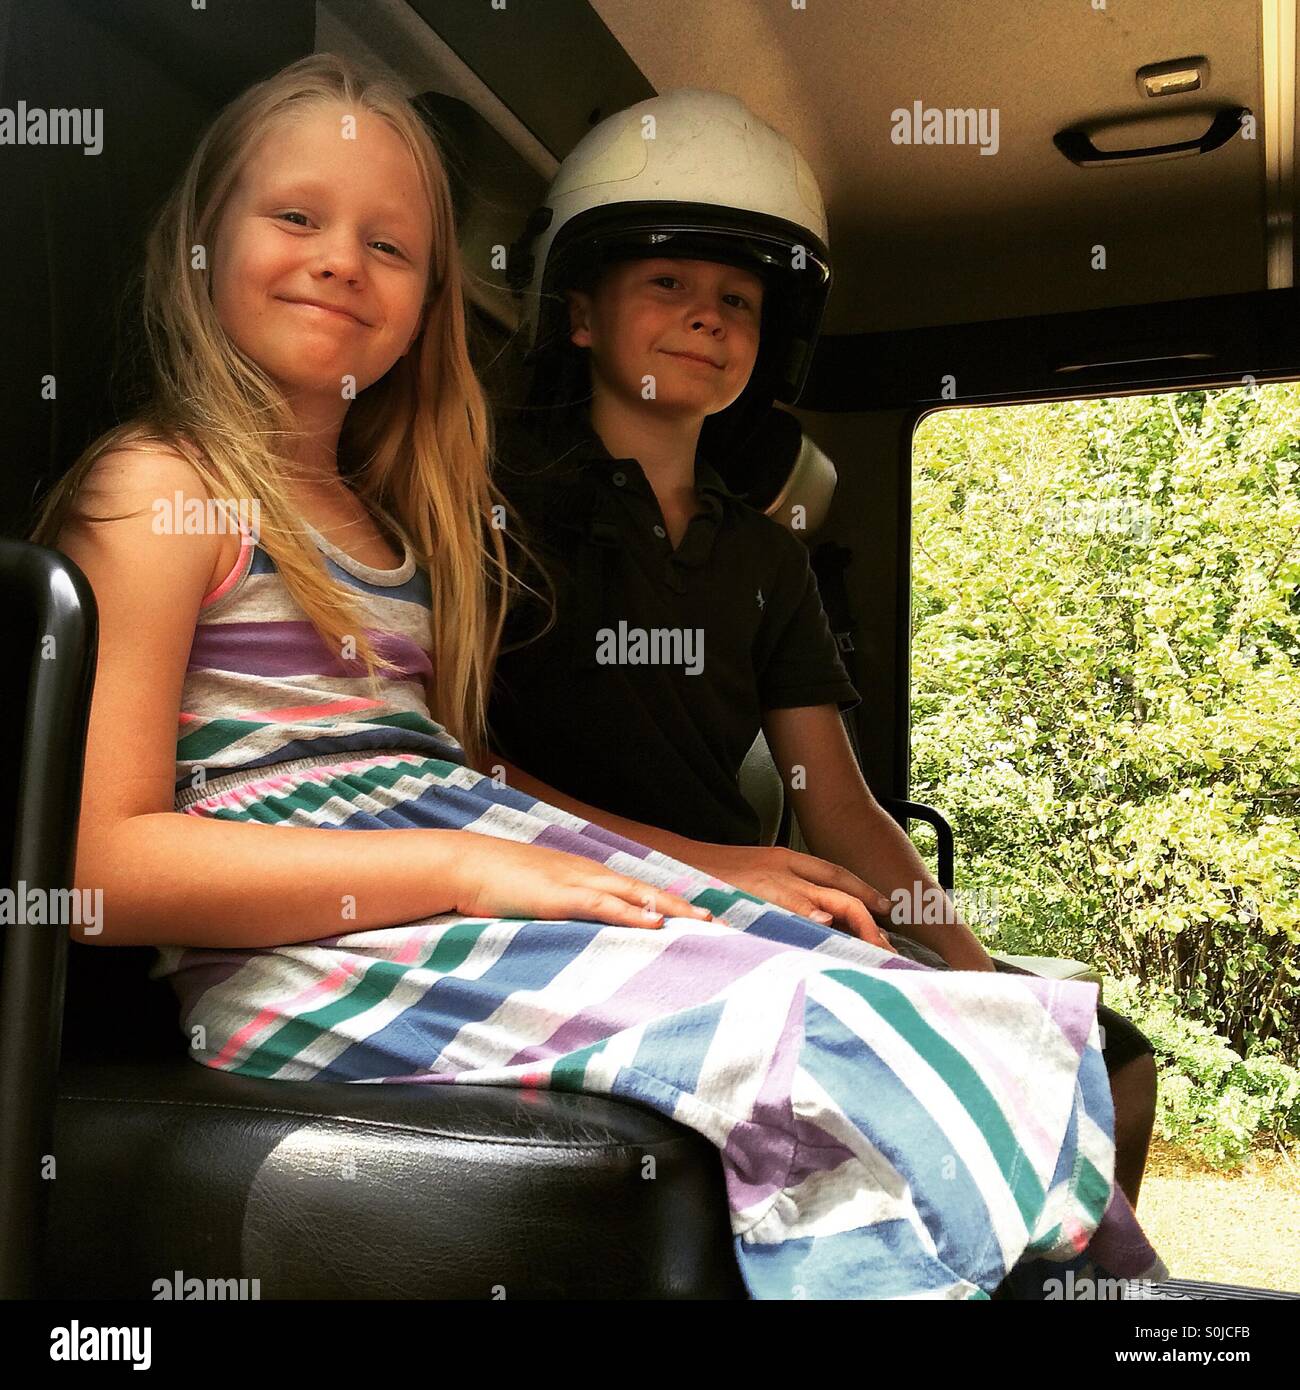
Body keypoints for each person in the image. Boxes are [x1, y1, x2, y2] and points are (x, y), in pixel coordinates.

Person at [30, 54, 1164, 1299]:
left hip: (448, 895)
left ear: (427, 303)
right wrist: (465, 866)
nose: (342, 259)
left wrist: (700, 863)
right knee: (822, 1029)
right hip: (314, 959)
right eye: (296, 216)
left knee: (923, 999)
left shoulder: (396, 526)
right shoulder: (160, 491)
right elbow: (94, 866)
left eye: (392, 246)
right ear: (200, 245)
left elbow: (465, 782)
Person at [488, 89, 1158, 1209]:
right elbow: (463, 772)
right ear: (580, 312)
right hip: (569, 906)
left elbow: (840, 808)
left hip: (730, 903)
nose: (706, 317)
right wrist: (696, 865)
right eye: (667, 282)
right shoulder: (498, 514)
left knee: (1105, 1057)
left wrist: (976, 974)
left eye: (737, 300)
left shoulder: (767, 561)